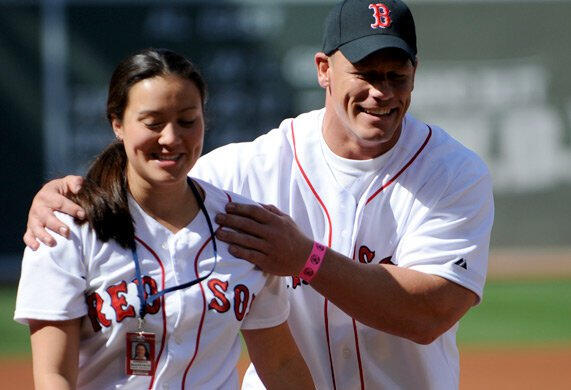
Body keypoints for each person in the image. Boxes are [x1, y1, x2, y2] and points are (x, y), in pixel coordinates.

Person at [23, 1, 494, 389]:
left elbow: (429, 314)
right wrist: (63, 196)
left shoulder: (453, 172)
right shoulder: (249, 169)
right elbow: (157, 180)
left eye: (397, 75)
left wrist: (305, 259)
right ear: (324, 70)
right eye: (366, 73)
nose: (381, 92)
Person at [15, 48, 313, 390]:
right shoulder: (69, 227)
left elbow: (281, 363)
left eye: (187, 121)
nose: (171, 138)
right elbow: (53, 376)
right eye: (153, 123)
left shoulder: (243, 227)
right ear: (117, 123)